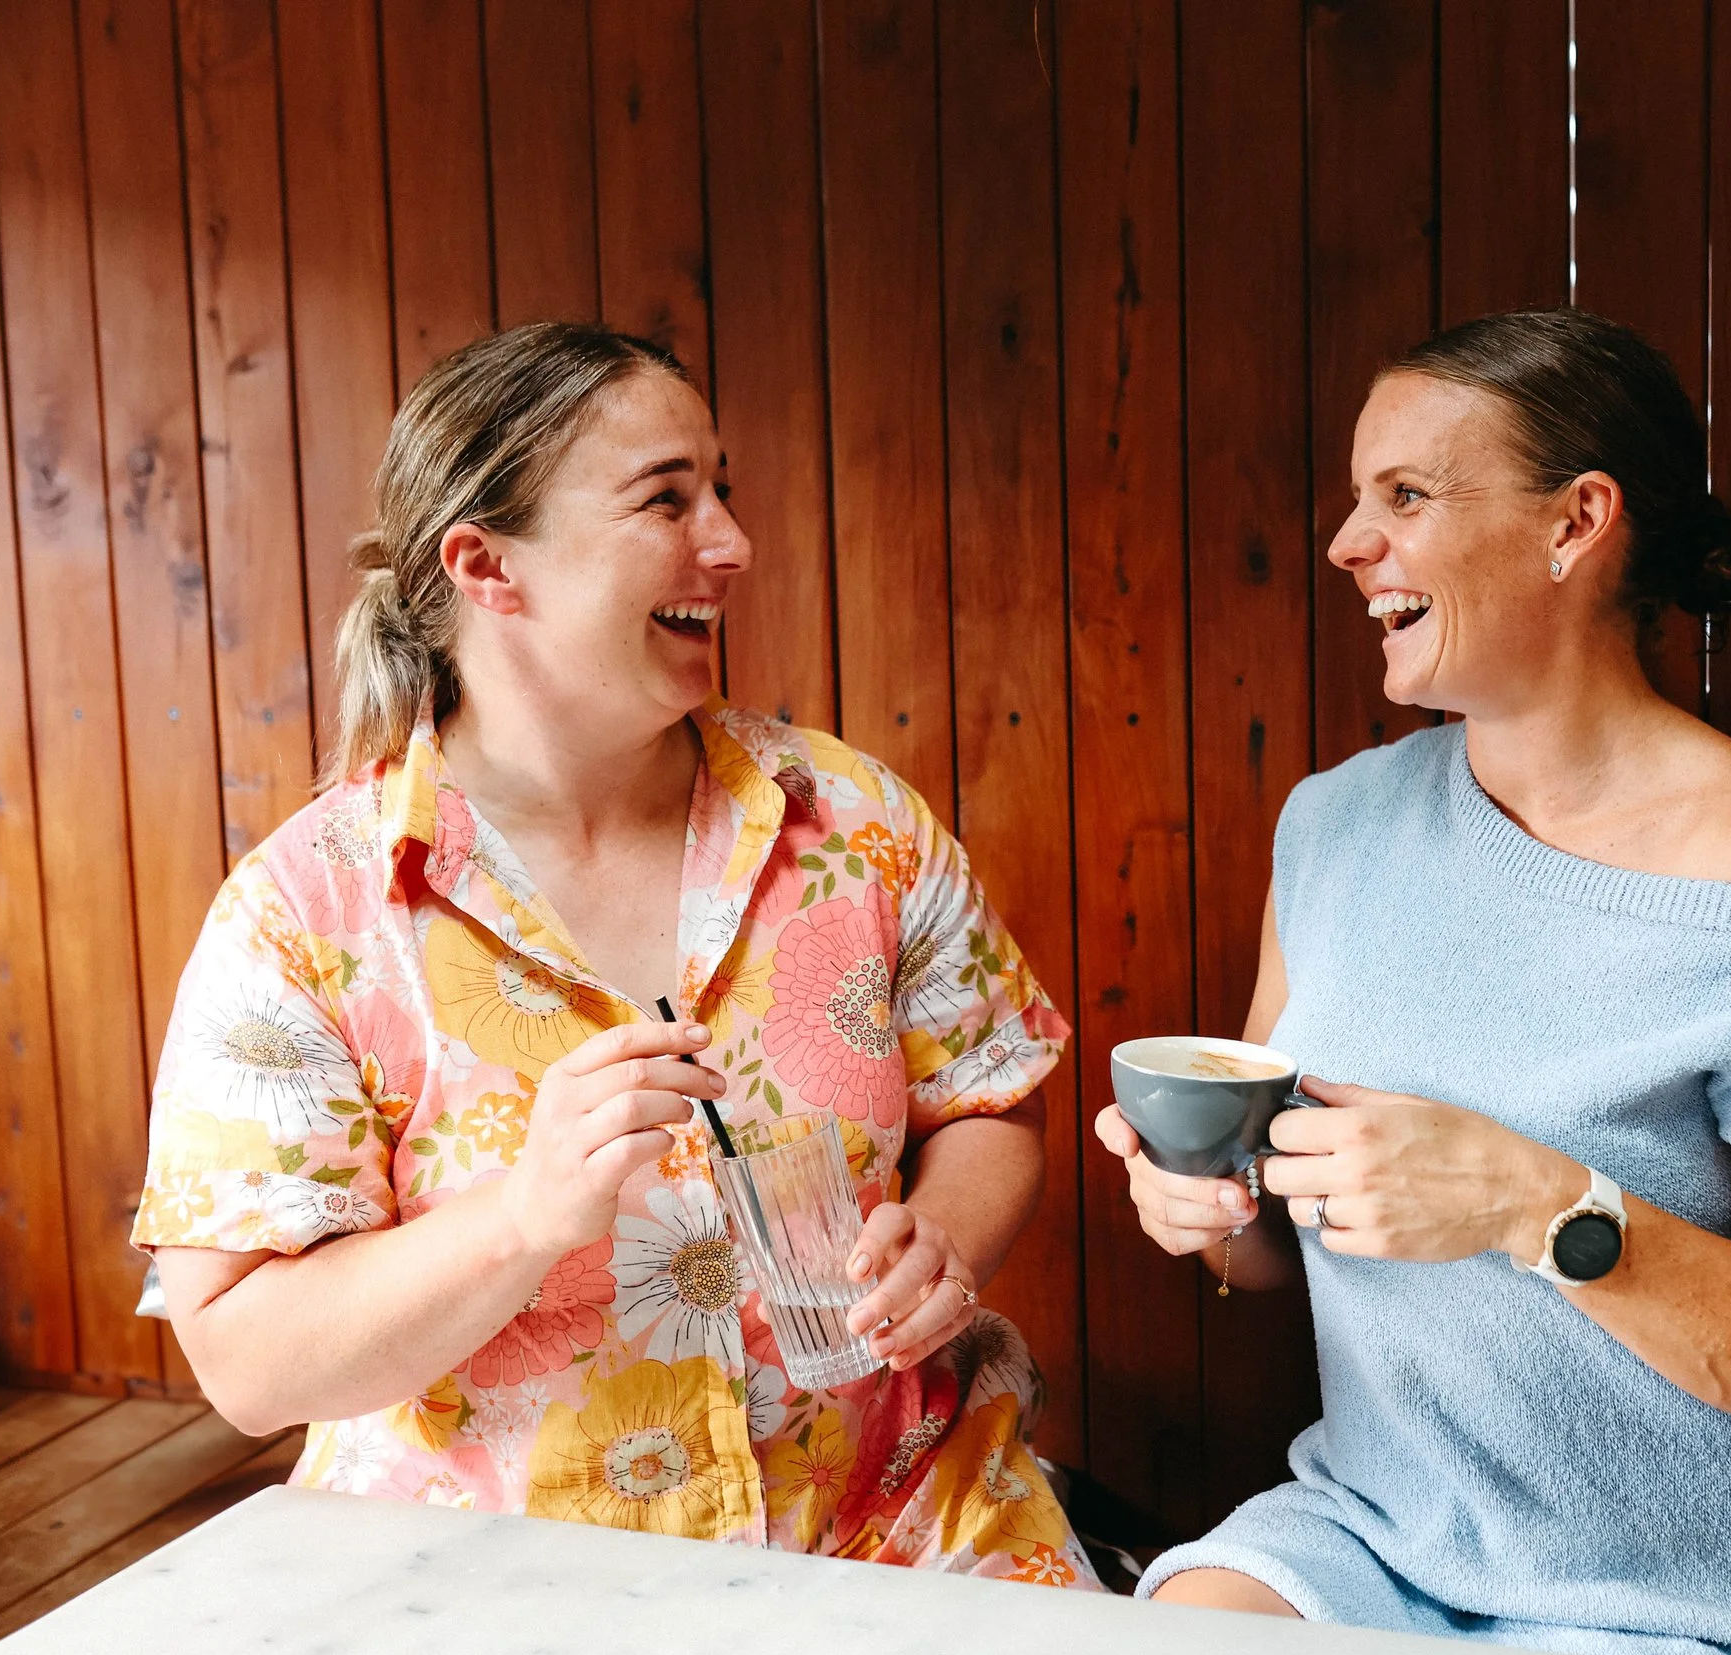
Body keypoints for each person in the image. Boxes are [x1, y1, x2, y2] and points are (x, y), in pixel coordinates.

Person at [137, 322, 1088, 1585]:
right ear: (485, 565)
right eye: (665, 498)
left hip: (905, 1527)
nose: (732, 542)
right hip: (497, 1578)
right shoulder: (304, 915)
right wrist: (521, 1217)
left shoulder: (853, 820)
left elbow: (988, 1096)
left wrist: (945, 1239)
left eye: (721, 487)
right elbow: (248, 1362)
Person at [1097, 308, 1731, 1655]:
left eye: (1407, 495)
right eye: (1354, 498)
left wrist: (1528, 1200)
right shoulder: (1335, 826)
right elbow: (1263, 1240)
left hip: (1690, 1584)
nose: (1346, 543)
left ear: (1576, 523)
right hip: (1382, 1531)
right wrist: (1201, 1201)